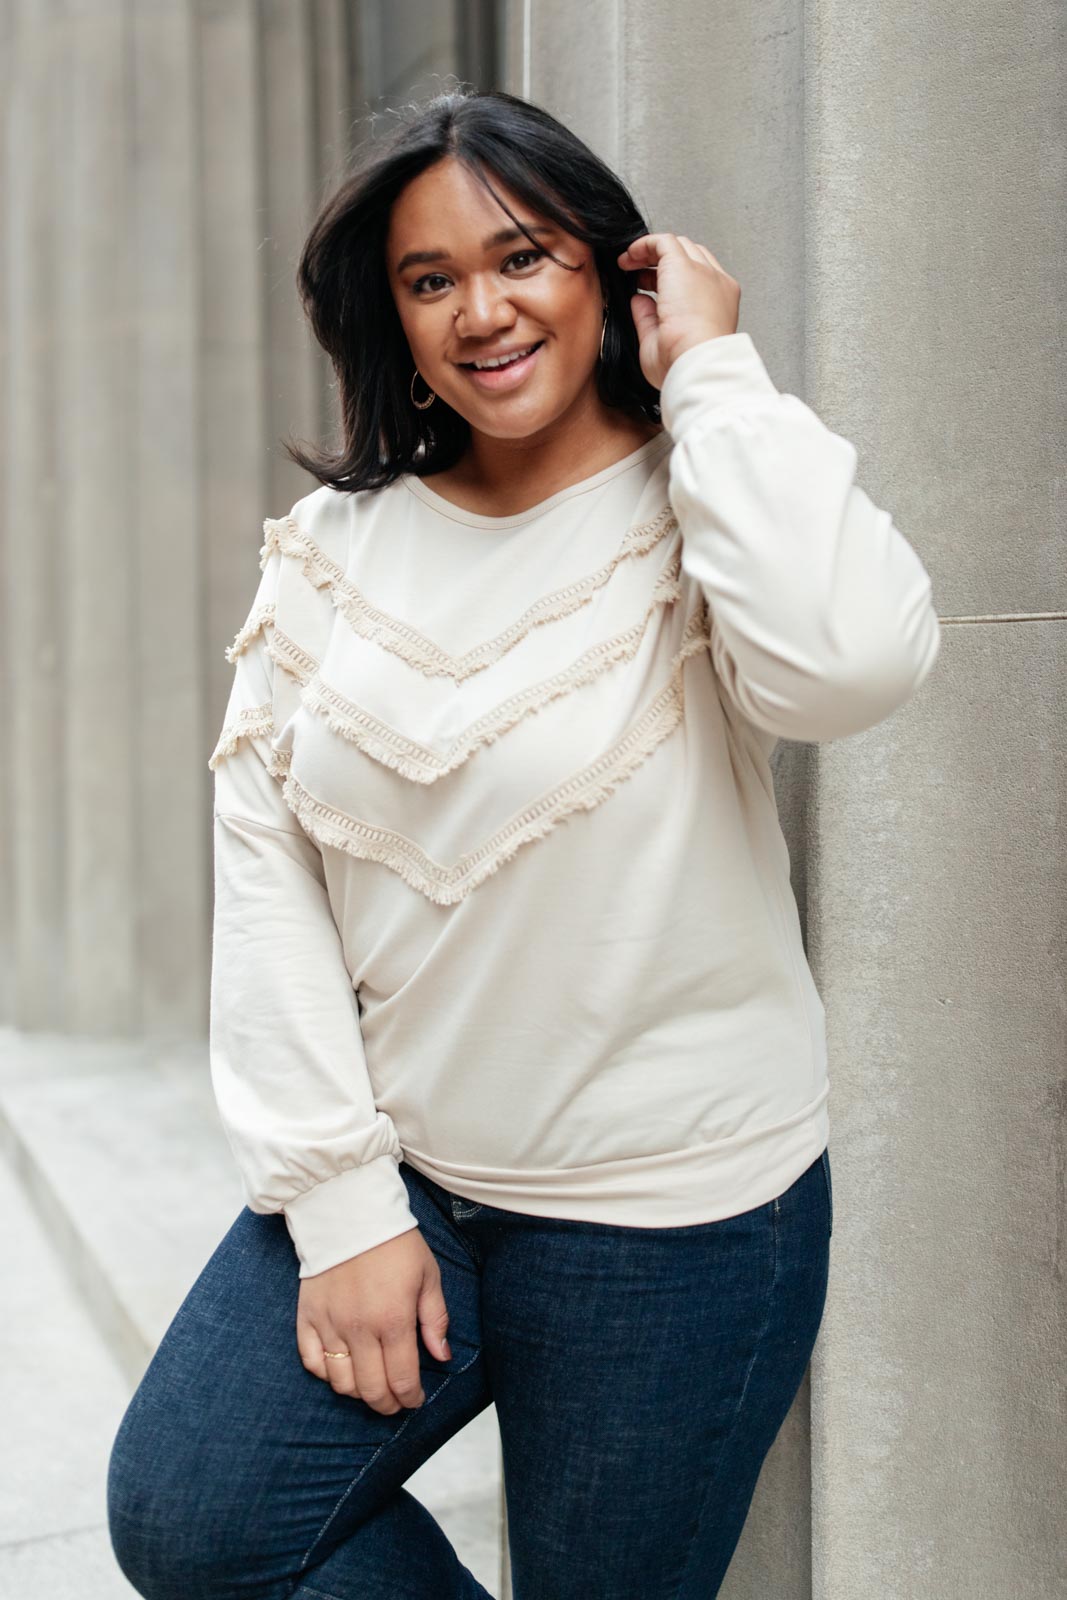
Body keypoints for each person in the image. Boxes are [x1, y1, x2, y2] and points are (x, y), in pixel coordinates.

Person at [106, 86, 940, 1600]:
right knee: (196, 1519)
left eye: (523, 258)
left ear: (606, 271)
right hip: (411, 1174)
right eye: (431, 282)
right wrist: (345, 1203)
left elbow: (851, 666)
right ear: (394, 317)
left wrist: (715, 376)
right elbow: (269, 870)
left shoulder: (706, 505)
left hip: (675, 1221)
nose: (480, 312)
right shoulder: (337, 555)